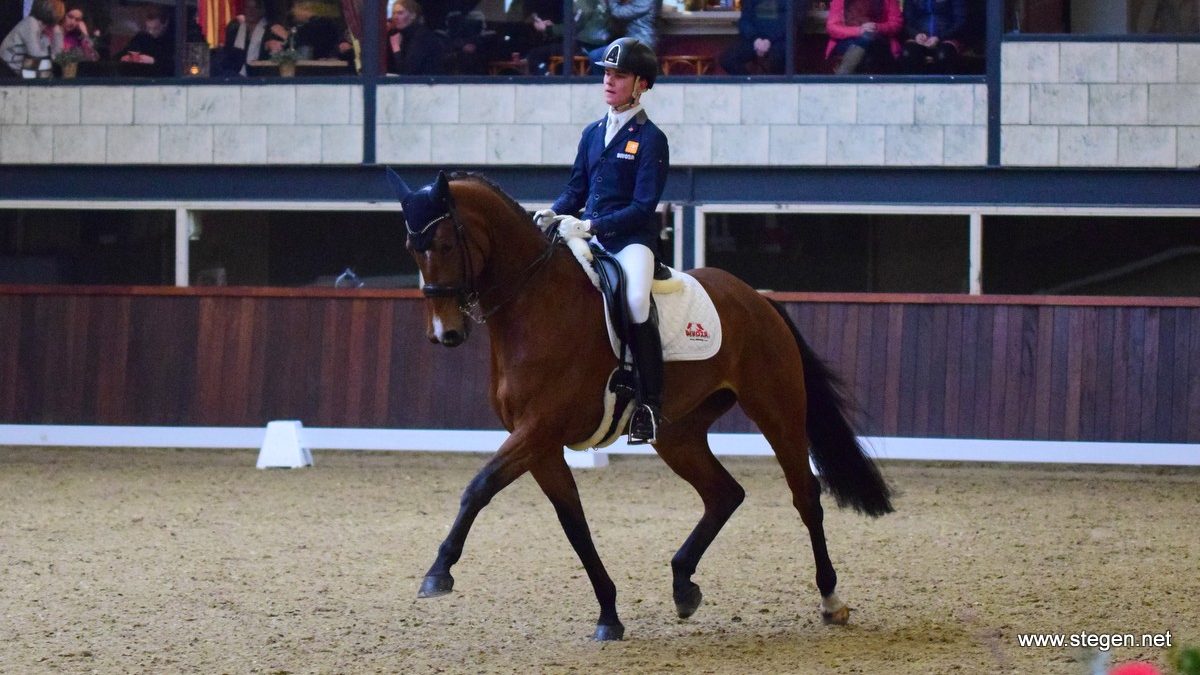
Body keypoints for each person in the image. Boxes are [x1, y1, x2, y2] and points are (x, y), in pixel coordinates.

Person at [535, 37, 669, 445]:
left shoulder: (651, 139)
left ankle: (649, 404)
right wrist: (554, 213)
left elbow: (644, 207)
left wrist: (591, 227)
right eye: (607, 74)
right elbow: (576, 189)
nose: (609, 81)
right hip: (586, 236)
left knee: (634, 301)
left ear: (641, 84)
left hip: (631, 242)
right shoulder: (593, 133)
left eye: (620, 75)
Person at [825, 0, 902, 74]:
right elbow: (832, 27)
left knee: (871, 42)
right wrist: (859, 31)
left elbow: (896, 24)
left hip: (879, 39)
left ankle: (843, 76)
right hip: (848, 40)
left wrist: (877, 27)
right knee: (867, 42)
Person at [718, 0, 787, 75]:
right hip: (754, 38)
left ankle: (776, 86)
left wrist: (769, 40)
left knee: (778, 59)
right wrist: (755, 39)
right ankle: (750, 85)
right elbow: (744, 20)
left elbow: (788, 21)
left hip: (779, 39)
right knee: (728, 59)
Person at [900, 0, 966, 74]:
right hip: (918, 39)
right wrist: (916, 35)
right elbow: (906, 21)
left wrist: (939, 37)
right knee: (908, 53)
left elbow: (960, 22)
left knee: (943, 55)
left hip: (946, 38)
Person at [0, 0, 64, 76]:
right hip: (6, 72)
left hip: (16, 74)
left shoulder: (42, 31)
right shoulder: (30, 23)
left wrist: (57, 33)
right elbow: (37, 57)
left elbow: (55, 58)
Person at [385, 0, 445, 75]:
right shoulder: (398, 35)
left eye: (400, 13)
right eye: (394, 13)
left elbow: (408, 71)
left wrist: (396, 47)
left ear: (413, 16)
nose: (395, 17)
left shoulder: (422, 37)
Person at [214, 0, 271, 76]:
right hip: (235, 74)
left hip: (259, 74)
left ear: (261, 11)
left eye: (255, 8)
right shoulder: (235, 29)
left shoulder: (268, 32)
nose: (251, 11)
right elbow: (229, 55)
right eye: (248, 8)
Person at [117, 4, 174, 76]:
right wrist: (125, 57)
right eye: (148, 28)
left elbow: (173, 66)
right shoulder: (141, 37)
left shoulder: (173, 40)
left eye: (155, 28)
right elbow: (123, 55)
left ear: (165, 23)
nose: (151, 32)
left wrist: (153, 61)